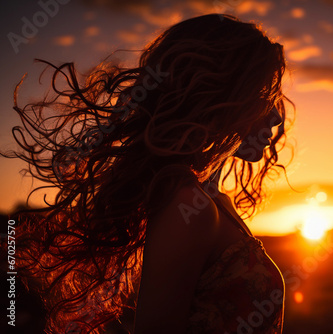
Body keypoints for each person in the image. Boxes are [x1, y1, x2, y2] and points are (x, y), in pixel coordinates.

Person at [2, 13, 294, 333]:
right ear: (221, 98)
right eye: (264, 96)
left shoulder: (212, 202)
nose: (277, 117)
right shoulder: (188, 206)